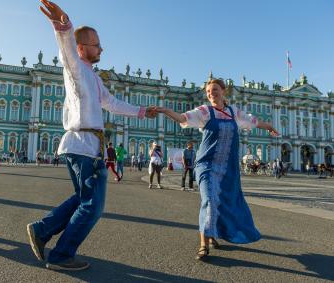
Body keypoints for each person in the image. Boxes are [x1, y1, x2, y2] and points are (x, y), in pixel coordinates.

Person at [27, 0, 156, 271]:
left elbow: (112, 104)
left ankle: (42, 230)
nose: (101, 48)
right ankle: (61, 255)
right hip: (83, 144)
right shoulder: (75, 67)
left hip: (86, 145)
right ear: (82, 48)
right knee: (92, 206)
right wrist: (63, 28)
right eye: (96, 44)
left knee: (82, 198)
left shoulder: (94, 77)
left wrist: (143, 111)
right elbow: (66, 53)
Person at [156, 78, 278, 260]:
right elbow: (183, 118)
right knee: (210, 200)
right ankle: (204, 244)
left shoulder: (234, 113)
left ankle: (212, 233)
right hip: (206, 165)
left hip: (228, 168)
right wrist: (165, 110)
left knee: (224, 202)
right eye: (208, 91)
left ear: (223, 91)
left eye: (214, 90)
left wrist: (269, 127)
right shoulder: (204, 111)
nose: (211, 93)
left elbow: (253, 122)